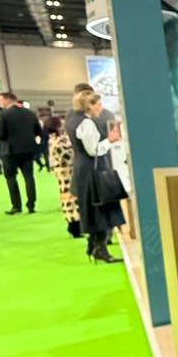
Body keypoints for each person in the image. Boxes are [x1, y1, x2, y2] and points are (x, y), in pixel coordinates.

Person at [69, 89, 125, 262]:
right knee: (101, 209)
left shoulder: (72, 120)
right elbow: (93, 150)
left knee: (92, 209)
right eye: (98, 104)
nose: (101, 107)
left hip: (83, 169)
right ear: (89, 105)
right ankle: (100, 249)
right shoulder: (86, 123)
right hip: (92, 170)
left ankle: (93, 246)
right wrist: (110, 141)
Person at [0, 92, 42, 216]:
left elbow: (0, 134)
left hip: (9, 151)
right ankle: (31, 205)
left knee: (11, 178)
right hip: (28, 150)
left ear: (7, 100)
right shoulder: (30, 113)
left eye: (0, 100)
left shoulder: (3, 115)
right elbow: (38, 131)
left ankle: (16, 206)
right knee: (29, 177)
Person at [49, 122, 82, 238]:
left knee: (71, 200)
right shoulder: (59, 143)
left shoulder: (58, 141)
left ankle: (75, 226)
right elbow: (69, 158)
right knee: (71, 201)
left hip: (66, 174)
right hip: (66, 175)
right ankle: (74, 227)